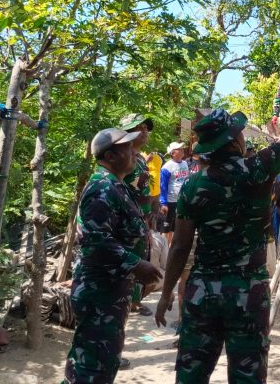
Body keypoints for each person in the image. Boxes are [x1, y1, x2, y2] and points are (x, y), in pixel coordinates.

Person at [155, 68, 280, 384]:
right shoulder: (259, 169)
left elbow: (180, 247)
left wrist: (166, 296)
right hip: (249, 292)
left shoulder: (192, 187)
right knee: (248, 377)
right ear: (233, 141)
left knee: (191, 376)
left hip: (203, 292)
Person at [64, 128, 163, 383]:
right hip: (99, 292)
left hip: (110, 292)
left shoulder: (117, 186)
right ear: (110, 155)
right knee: (93, 369)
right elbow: (96, 240)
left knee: (96, 364)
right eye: (127, 148)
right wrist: (135, 264)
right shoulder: (101, 188)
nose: (133, 152)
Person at [119, 113, 155, 316]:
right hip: (127, 221)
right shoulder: (123, 155)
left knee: (139, 257)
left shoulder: (139, 157)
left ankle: (134, 300)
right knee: (130, 258)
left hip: (141, 218)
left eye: (145, 128)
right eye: (138, 128)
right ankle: (128, 300)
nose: (144, 132)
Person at [159, 141, 192, 244]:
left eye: (182, 149)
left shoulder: (185, 163)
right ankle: (165, 250)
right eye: (179, 149)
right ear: (173, 153)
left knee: (177, 226)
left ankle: (172, 246)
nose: (182, 151)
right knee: (167, 226)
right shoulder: (167, 167)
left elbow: (186, 179)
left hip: (182, 199)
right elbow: (163, 186)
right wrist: (163, 203)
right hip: (170, 201)